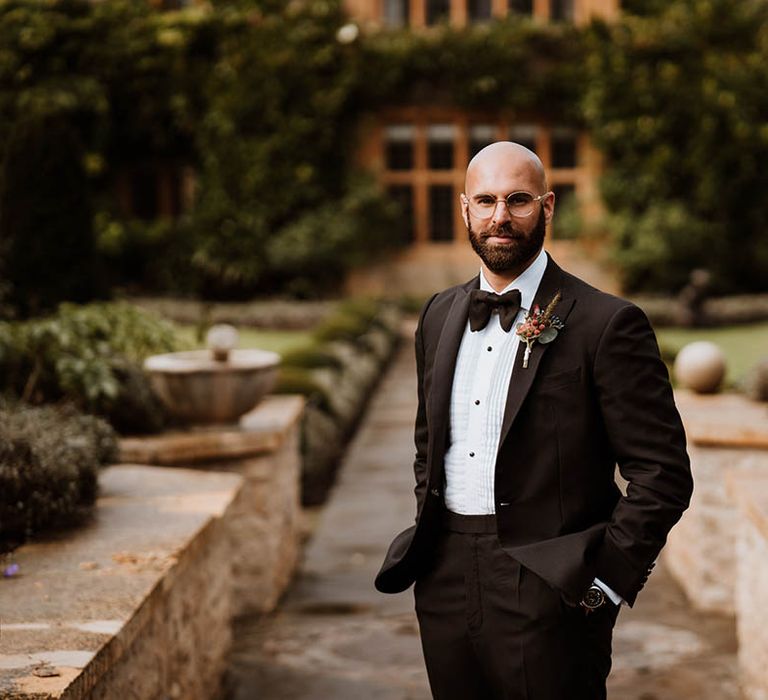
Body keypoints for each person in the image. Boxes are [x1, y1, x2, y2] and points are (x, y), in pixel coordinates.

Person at [374, 142, 693, 699]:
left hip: (552, 589)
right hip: (445, 578)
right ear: (464, 209)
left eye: (518, 200)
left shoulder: (608, 324)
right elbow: (430, 445)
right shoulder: (438, 315)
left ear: (547, 208)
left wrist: (603, 586)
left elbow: (662, 475)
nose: (500, 217)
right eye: (487, 201)